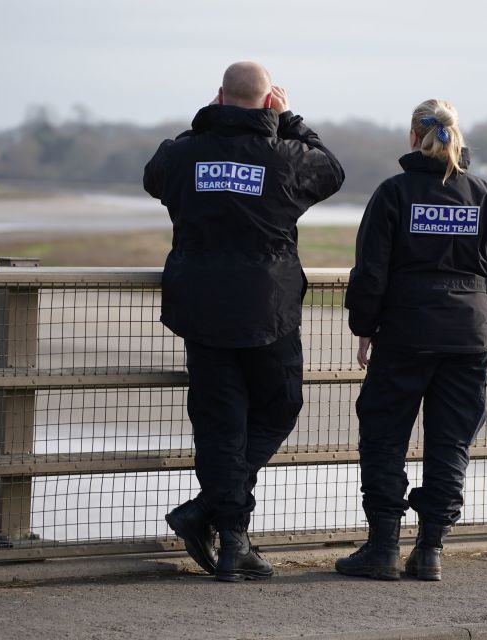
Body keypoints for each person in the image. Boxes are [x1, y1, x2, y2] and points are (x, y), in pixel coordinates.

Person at [143, 61, 344, 581]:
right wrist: (290, 119)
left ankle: (220, 522)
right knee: (279, 407)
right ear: (267, 101)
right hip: (267, 309)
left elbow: (155, 173)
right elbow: (332, 169)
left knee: (219, 426)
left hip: (202, 309)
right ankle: (227, 534)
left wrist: (208, 124)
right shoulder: (284, 158)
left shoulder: (186, 153)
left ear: (219, 97)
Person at [336, 99, 487, 581]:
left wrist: (364, 328)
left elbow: (370, 272)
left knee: (383, 437)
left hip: (404, 336)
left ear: (412, 135)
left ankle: (381, 548)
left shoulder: (393, 194)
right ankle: (431, 550)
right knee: (451, 443)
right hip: (469, 337)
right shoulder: (483, 195)